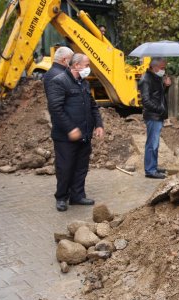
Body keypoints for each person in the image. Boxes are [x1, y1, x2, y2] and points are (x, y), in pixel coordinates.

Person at [46, 53, 104, 211]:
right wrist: (70, 128)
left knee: (81, 167)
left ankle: (77, 196)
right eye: (87, 64)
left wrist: (99, 124)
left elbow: (93, 106)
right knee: (65, 167)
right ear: (76, 65)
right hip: (65, 137)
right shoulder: (59, 82)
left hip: (84, 134)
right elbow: (55, 109)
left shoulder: (84, 83)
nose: (89, 68)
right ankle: (62, 197)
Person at [138, 57, 171, 179]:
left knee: (155, 143)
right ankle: (150, 170)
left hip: (157, 115)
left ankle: (153, 166)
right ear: (155, 67)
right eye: (162, 68)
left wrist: (166, 86)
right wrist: (160, 109)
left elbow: (159, 95)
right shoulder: (146, 80)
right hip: (153, 116)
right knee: (152, 143)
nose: (164, 70)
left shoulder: (156, 78)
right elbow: (146, 101)